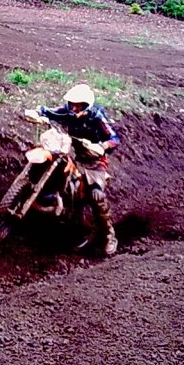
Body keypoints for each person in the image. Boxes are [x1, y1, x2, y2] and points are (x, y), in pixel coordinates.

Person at [39, 83, 120, 256]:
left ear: (86, 105)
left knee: (96, 195)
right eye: (72, 103)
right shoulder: (67, 111)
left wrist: (102, 146)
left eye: (78, 105)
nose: (74, 107)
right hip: (72, 154)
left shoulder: (96, 116)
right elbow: (51, 112)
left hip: (93, 161)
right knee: (52, 163)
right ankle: (44, 197)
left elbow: (114, 138)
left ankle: (108, 235)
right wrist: (39, 112)